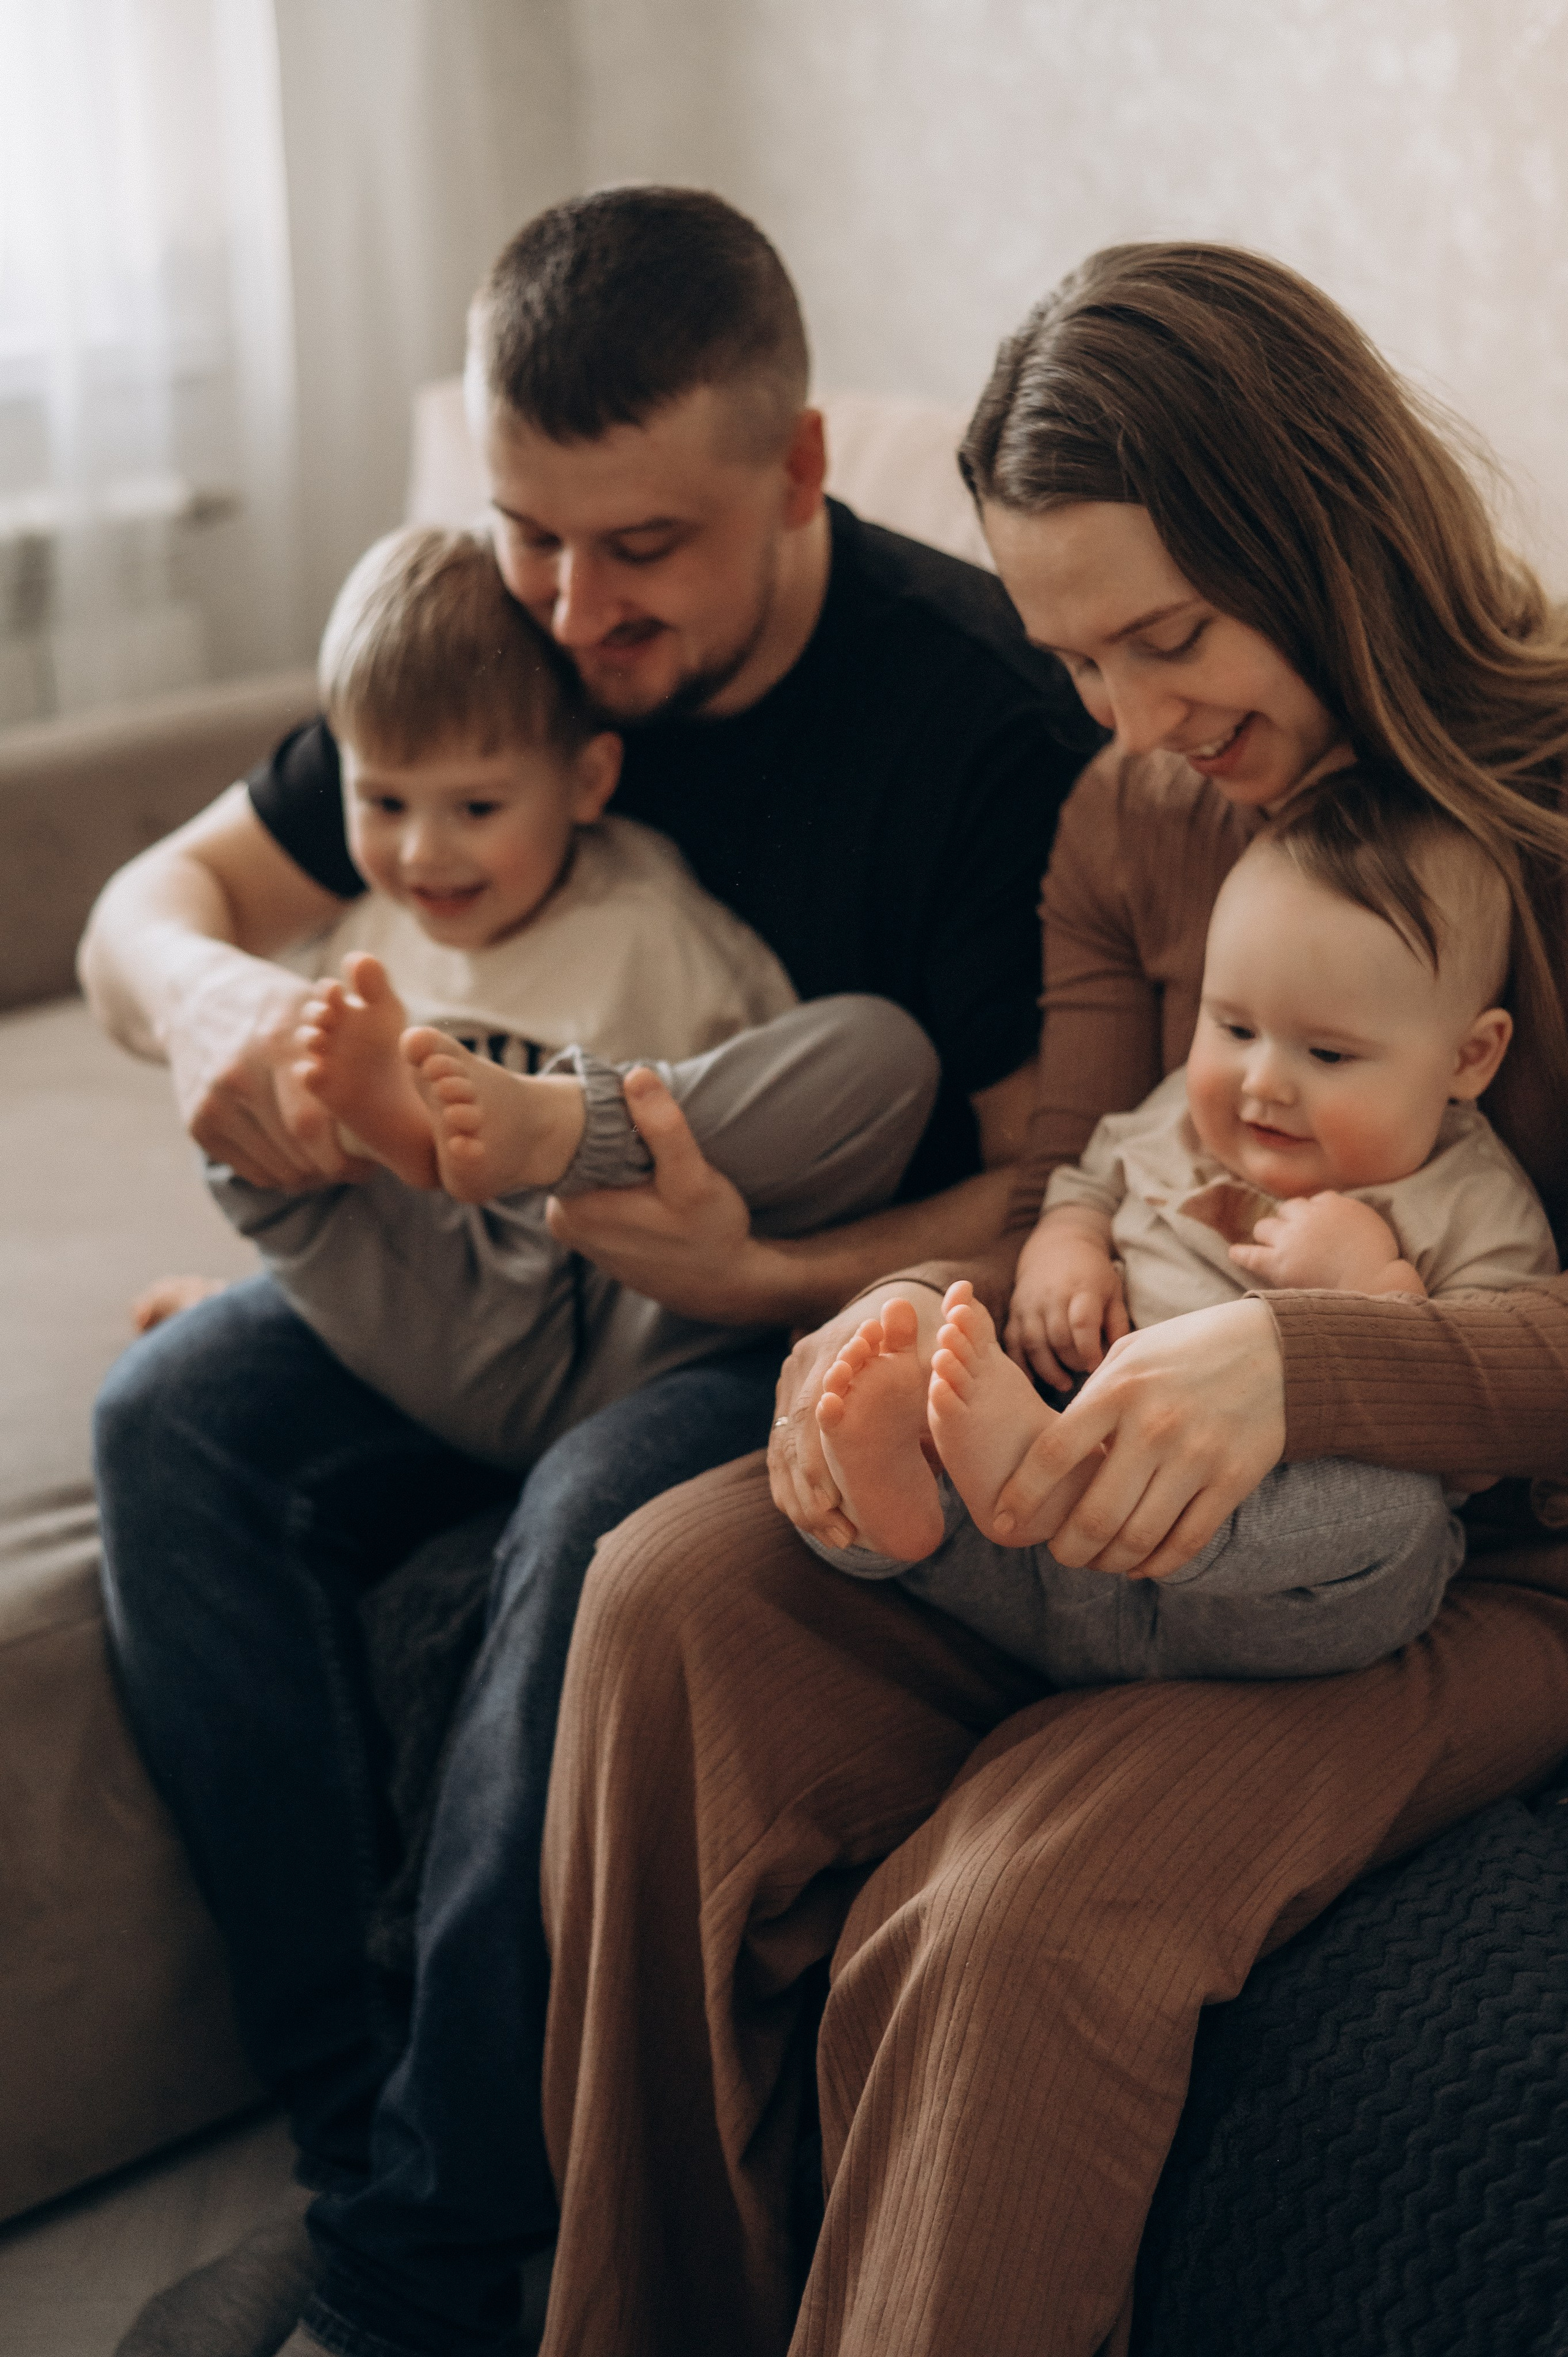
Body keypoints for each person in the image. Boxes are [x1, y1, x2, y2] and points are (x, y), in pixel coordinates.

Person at [83, 186, 1093, 2357]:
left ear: (799, 470)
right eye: (534, 530)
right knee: (172, 1423)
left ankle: (414, 2271)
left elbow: (1056, 1193)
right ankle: (363, 2155)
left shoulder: (976, 725)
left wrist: (771, 1261)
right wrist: (209, 1011)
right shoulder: (516, 617)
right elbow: (146, 896)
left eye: (641, 547)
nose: (573, 605)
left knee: (592, 1516)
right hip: (492, 1253)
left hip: (796, 1290)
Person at [534, 243, 1568, 2357]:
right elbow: (1060, 1187)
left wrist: (1301, 1355)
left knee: (1007, 1908)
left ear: (1321, 522)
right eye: (1076, 656)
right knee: (656, 1588)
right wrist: (905, 1315)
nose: (1137, 718)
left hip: (1491, 1570)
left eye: (1169, 636)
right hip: (1121, 1451)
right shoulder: (1131, 809)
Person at [206, 519, 938, 1471]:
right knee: (233, 1096)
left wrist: (566, 1144)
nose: (423, 853)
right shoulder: (361, 934)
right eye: (384, 804)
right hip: (446, 1328)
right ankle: (420, 1140)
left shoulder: (644, 927)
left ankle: (548, 1126)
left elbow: (770, 1151)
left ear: (587, 779)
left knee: (881, 1053)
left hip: (628, 1317)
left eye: (476, 808)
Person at [804, 775, 1557, 1683]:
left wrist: (1376, 1294)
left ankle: (1044, 1481)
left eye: (1327, 1053)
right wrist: (1067, 1246)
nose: (1262, 1083)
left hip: (1271, 1595)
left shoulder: (1472, 1199)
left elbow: (1479, 1431)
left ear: (1469, 1058)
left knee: (1395, 1517)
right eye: (1233, 1026)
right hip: (1048, 1547)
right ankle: (891, 1508)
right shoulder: (1179, 1119)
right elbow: (1088, 1178)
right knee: (879, 1476)